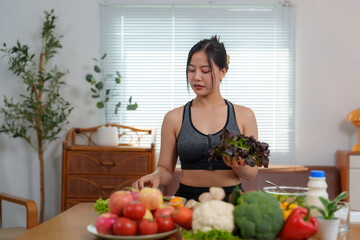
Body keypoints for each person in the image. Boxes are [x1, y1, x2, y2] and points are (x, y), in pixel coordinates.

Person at [132, 36, 258, 201]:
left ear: (222, 72)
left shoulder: (244, 115)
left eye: (205, 71)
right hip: (187, 201)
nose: (196, 77)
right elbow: (165, 170)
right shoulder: (174, 118)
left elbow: (251, 174)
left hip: (231, 200)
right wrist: (156, 176)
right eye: (191, 70)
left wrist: (239, 166)